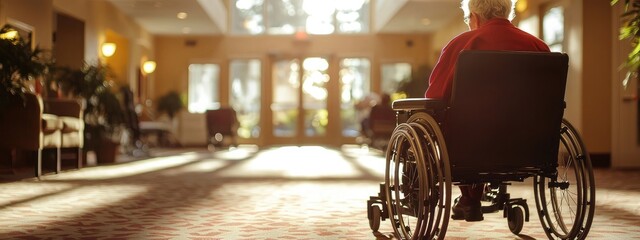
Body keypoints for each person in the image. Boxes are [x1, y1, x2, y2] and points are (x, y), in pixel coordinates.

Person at [425, 0, 550, 222]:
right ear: (507, 13)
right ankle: (470, 199)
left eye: (467, 20)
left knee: (458, 121)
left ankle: (470, 199)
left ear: (474, 17)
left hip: (469, 144)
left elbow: (434, 97)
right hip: (526, 144)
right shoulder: (538, 47)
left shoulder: (462, 44)